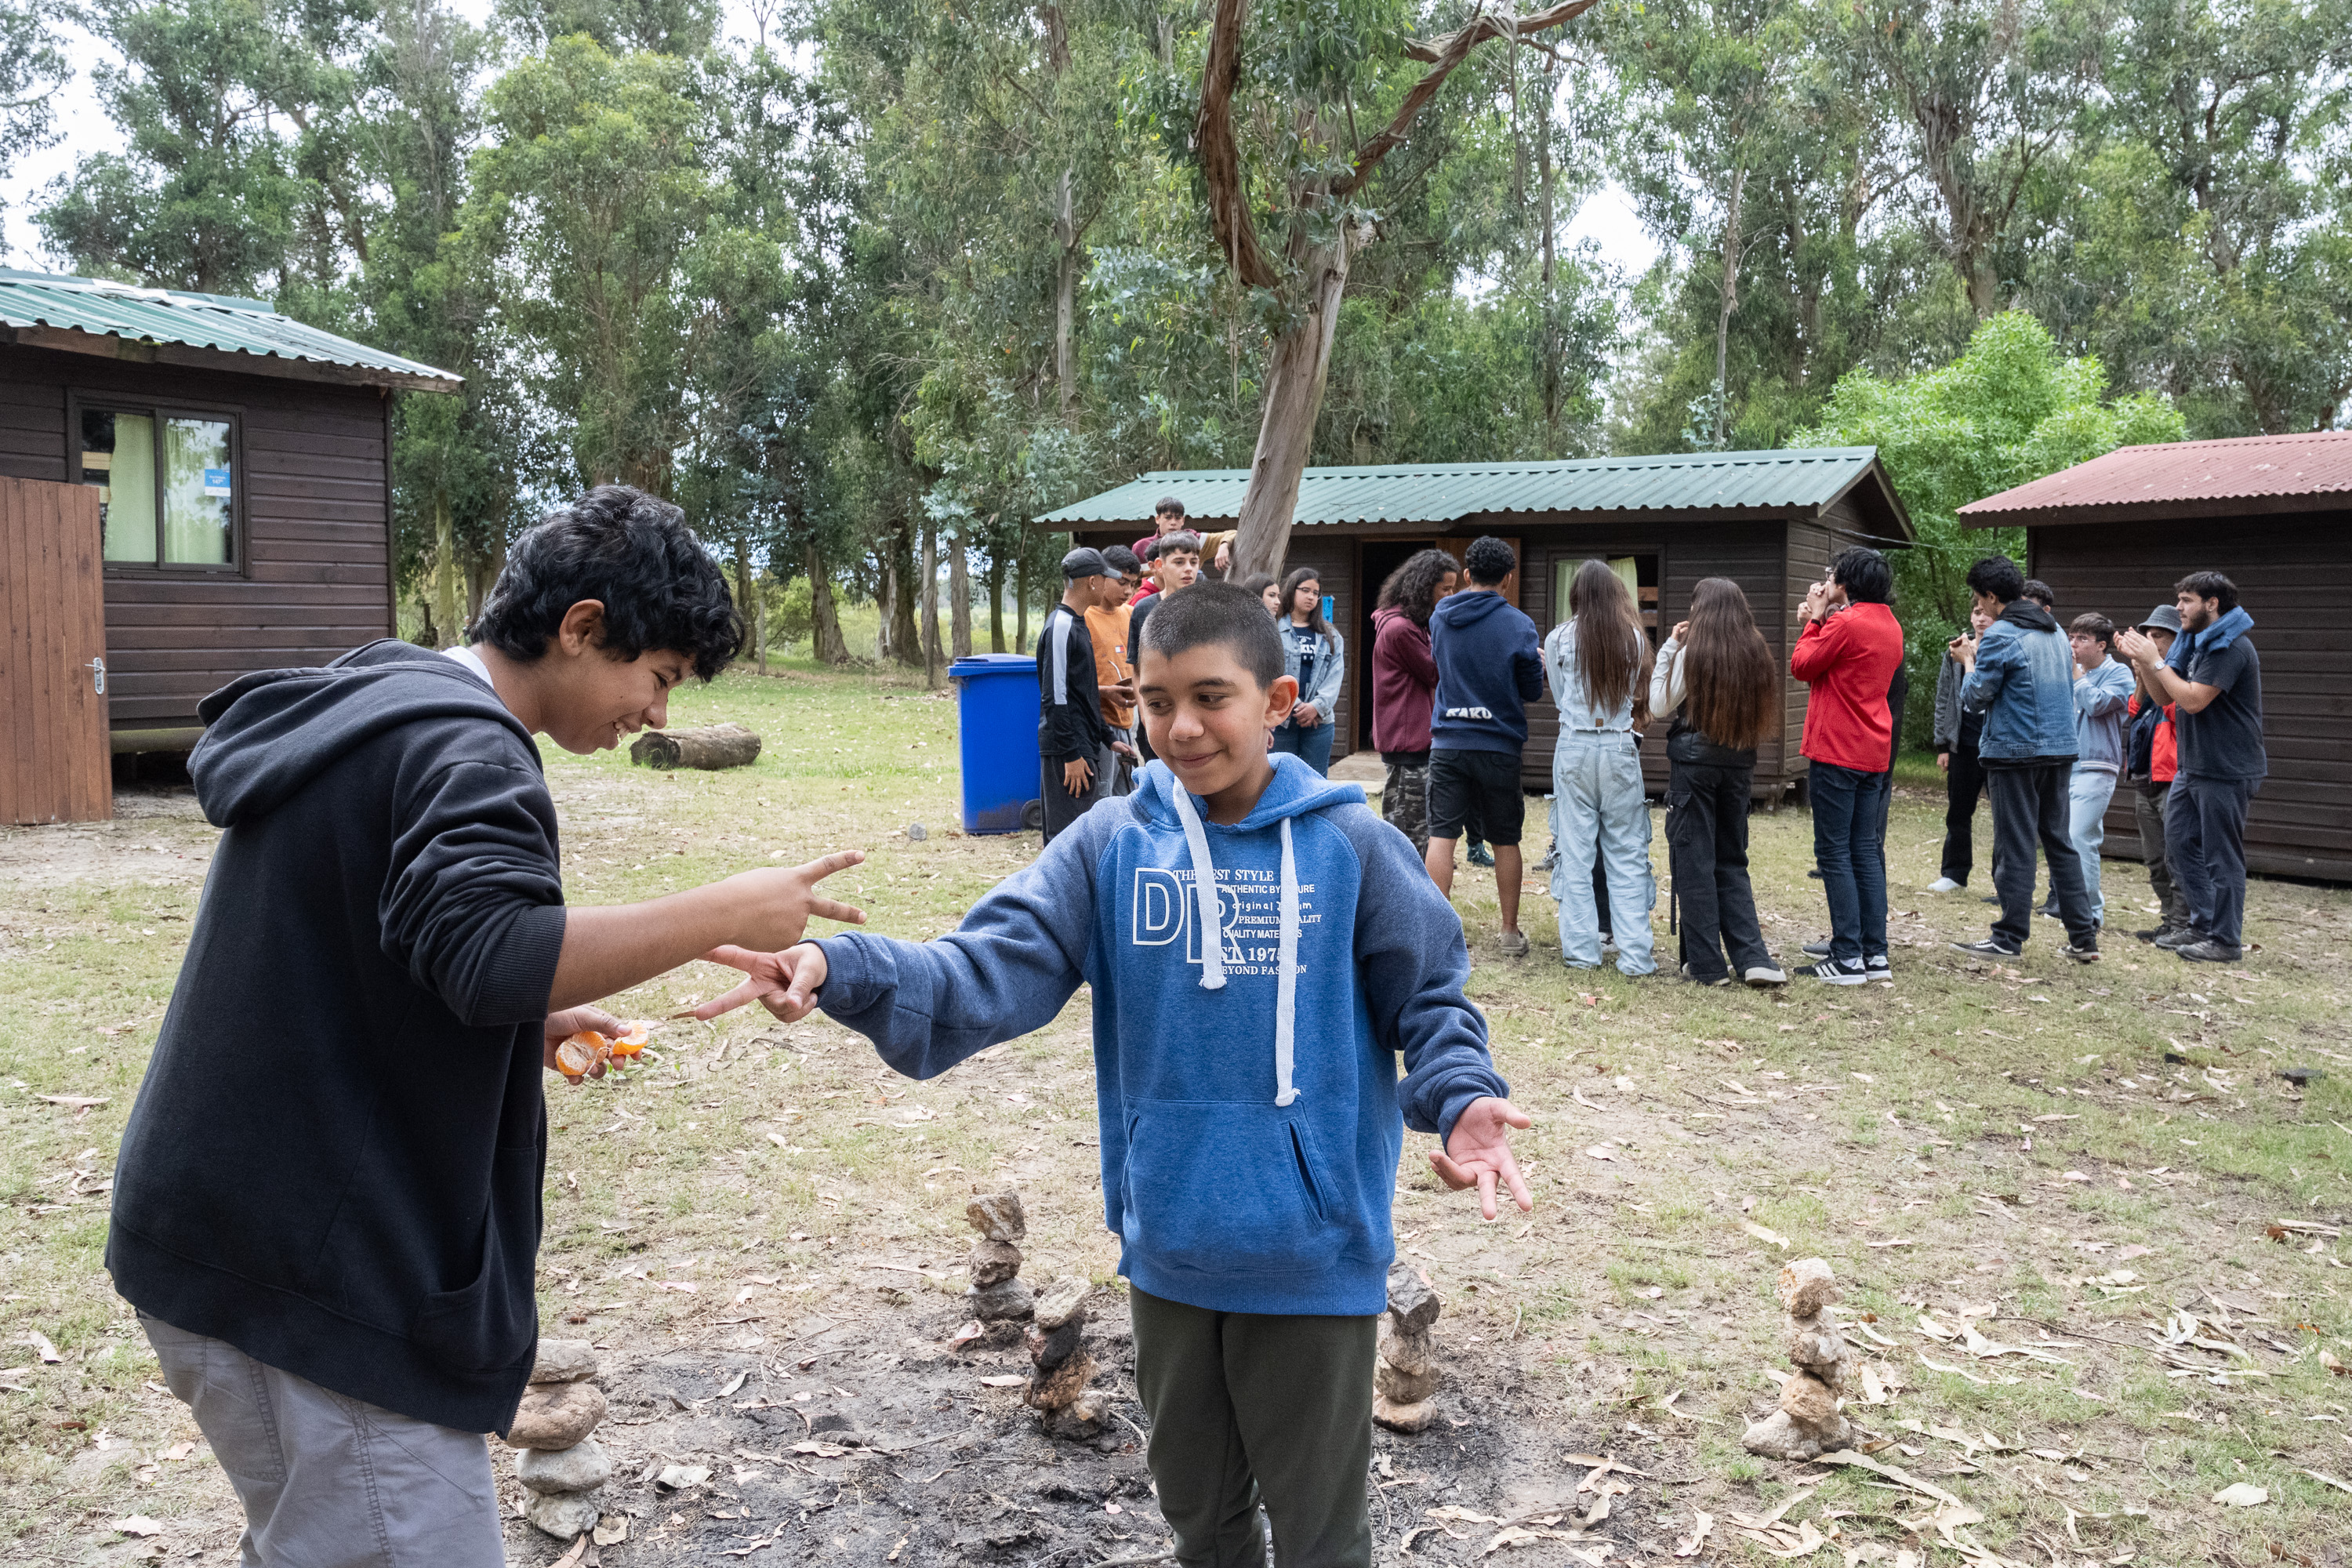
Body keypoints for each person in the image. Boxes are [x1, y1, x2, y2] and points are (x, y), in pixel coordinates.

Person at [691, 580, 1532, 1568]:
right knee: (1202, 1523)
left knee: (1321, 1540)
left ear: (1277, 697)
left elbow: (1430, 996)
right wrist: (843, 966)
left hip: (1312, 1261)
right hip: (1170, 1249)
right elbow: (982, 966)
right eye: (1154, 700)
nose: (1180, 727)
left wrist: (1463, 1095)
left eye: (1211, 697)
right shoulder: (1111, 846)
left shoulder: (1352, 847)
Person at [107, 486, 866, 1566]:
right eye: (656, 678)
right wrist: (723, 912)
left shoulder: (383, 702)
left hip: (226, 1237)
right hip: (320, 1291)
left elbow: (394, 935)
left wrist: (533, 1007)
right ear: (582, 627)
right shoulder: (470, 751)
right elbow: (485, 949)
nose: (657, 715)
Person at [1950, 554, 2100, 963]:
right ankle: (2084, 938)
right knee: (2059, 843)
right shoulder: (2053, 631)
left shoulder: (2001, 634)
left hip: (2015, 754)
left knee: (2015, 846)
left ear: (1994, 596)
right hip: (2060, 750)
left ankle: (2008, 938)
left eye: (1980, 600)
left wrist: (1968, 662)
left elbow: (1976, 699)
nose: (1980, 608)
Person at [2115, 571, 2265, 964]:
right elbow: (2165, 695)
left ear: (2212, 604)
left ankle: (2225, 940)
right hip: (2194, 765)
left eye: (2186, 600)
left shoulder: (2230, 647)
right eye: (2179, 600)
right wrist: (2145, 661)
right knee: (2179, 845)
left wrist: (2155, 661)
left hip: (2227, 767)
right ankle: (2199, 926)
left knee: (2221, 855)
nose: (2178, 608)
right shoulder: (2195, 643)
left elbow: (2194, 700)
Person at [1652, 578, 1785, 986]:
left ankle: (1707, 966)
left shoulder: (1694, 652)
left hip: (1693, 768)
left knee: (1695, 864)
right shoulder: (1757, 653)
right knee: (1732, 860)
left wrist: (1669, 648)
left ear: (1700, 611)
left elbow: (1658, 705)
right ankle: (1753, 958)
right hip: (1738, 766)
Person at [1788, 546, 1906, 982]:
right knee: (1864, 851)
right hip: (1874, 747)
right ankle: (1874, 955)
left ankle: (1846, 956)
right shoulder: (1890, 624)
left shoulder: (1845, 622)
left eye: (1832, 576)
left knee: (1834, 851)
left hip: (1837, 747)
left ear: (1845, 582)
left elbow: (1802, 665)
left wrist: (1817, 618)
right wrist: (1819, 622)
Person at [1425, 537, 1545, 957]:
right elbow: (1531, 690)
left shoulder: (1440, 615)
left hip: (1448, 742)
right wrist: (1536, 663)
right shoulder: (1519, 626)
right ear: (1508, 579)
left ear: (1468, 575)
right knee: (1505, 838)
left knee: (1442, 835)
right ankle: (1510, 933)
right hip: (1499, 744)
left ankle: (1436, 933)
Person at [1542, 559, 1657, 976]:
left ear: (1576, 595)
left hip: (1573, 745)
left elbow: (1558, 696)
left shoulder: (1559, 638)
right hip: (1620, 745)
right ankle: (1637, 956)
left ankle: (1582, 952)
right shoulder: (1633, 639)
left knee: (1575, 852)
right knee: (1627, 852)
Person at [1370, 549, 1459, 855]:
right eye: (1445, 589)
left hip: (1413, 741)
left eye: (1453, 588)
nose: (1451, 595)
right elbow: (1435, 671)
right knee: (1410, 838)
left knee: (1412, 830)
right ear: (1424, 587)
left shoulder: (1412, 623)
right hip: (1408, 744)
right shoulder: (1401, 629)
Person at [1038, 547, 1120, 840]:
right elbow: (1055, 697)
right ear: (1093, 582)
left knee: (1084, 835)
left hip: (1083, 744)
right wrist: (1070, 755)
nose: (1110, 586)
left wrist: (1107, 738)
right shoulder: (1061, 626)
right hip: (1068, 750)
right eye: (1106, 579)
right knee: (1067, 839)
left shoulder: (1079, 622)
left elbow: (1081, 693)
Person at [2060, 613, 2135, 927]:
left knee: (2080, 838)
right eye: (2071, 637)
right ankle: (2073, 909)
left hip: (2097, 767)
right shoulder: (2069, 673)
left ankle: (2091, 913)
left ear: (2102, 645)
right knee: (2069, 839)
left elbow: (2096, 704)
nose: (2073, 644)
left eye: (2082, 639)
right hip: (2065, 765)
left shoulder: (2119, 674)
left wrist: (2076, 673)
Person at [2123, 604, 2187, 942]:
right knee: (2155, 859)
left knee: (2177, 859)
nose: (2151, 641)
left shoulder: (2184, 671)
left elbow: (2178, 713)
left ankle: (2182, 924)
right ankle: (2169, 919)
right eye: (2148, 635)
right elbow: (2136, 711)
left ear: (2177, 638)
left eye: (2158, 635)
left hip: (2172, 778)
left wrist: (2154, 669)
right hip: (2144, 777)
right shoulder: (2154, 672)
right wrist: (2141, 675)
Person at [1928, 602, 1998, 893]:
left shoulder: (2004, 648)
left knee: (2005, 817)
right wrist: (1943, 744)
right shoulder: (1956, 649)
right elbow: (1945, 696)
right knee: (1958, 811)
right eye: (1976, 613)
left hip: (1997, 744)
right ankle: (1955, 873)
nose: (1981, 619)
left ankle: (2003, 881)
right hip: (1964, 742)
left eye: (1987, 613)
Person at [1126, 532, 1202, 766]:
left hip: (1198, 713)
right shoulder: (1143, 610)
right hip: (1159, 712)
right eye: (1179, 562)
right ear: (1159, 566)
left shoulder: (1209, 609)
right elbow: (1137, 670)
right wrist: (1146, 713)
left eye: (1193, 562)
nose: (1188, 569)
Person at [1272, 566, 1344, 775]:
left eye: (1315, 593)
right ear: (1292, 590)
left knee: (1316, 781)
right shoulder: (1274, 629)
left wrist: (1316, 707)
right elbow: (1272, 671)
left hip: (1318, 721)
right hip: (1281, 719)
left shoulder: (1330, 635)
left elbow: (1335, 674)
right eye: (1305, 590)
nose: (1311, 597)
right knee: (1280, 779)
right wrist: (1296, 705)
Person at [1088, 546, 1143, 796]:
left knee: (1129, 796)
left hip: (1129, 723)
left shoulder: (1132, 616)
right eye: (1122, 583)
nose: (1128, 591)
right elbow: (1071, 683)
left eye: (1133, 584)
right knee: (1101, 796)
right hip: (1098, 724)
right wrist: (1105, 692)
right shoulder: (1084, 618)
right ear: (1102, 577)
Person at [1134, 494, 1187, 564]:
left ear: (1183, 521)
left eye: (1178, 518)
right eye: (1168, 518)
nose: (1173, 522)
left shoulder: (1191, 544)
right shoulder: (1141, 546)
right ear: (1158, 519)